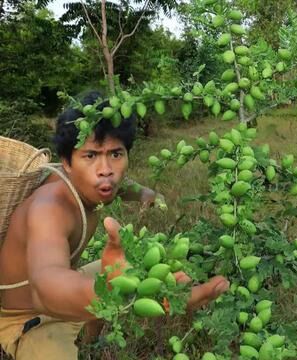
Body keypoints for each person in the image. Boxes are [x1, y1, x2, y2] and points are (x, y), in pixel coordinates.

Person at [0, 92, 230, 359]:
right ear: (66, 162)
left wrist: (147, 195)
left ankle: (90, 338)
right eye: (90, 156)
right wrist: (114, 291)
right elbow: (46, 286)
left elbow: (123, 188)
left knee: (138, 260)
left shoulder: (96, 183)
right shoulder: (49, 207)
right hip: (30, 318)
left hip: (72, 289)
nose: (105, 169)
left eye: (115, 154)